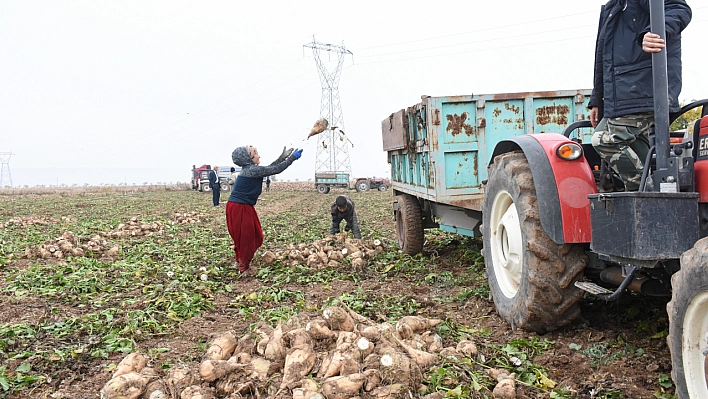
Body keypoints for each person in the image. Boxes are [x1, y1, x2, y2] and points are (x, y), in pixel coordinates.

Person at [588, 0, 691, 191]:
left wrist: (654, 32)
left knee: (604, 139)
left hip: (646, 88)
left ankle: (646, 194)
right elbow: (605, 58)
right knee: (636, 147)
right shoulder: (613, 7)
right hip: (623, 95)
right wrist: (597, 99)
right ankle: (649, 194)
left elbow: (679, 8)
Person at [226, 146, 301, 275]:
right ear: (248, 158)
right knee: (248, 237)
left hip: (238, 206)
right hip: (240, 207)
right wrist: (292, 158)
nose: (259, 156)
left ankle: (240, 261)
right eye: (255, 154)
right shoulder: (252, 170)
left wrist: (283, 157)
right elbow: (275, 169)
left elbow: (269, 169)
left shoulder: (251, 169)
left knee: (247, 236)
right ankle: (243, 268)